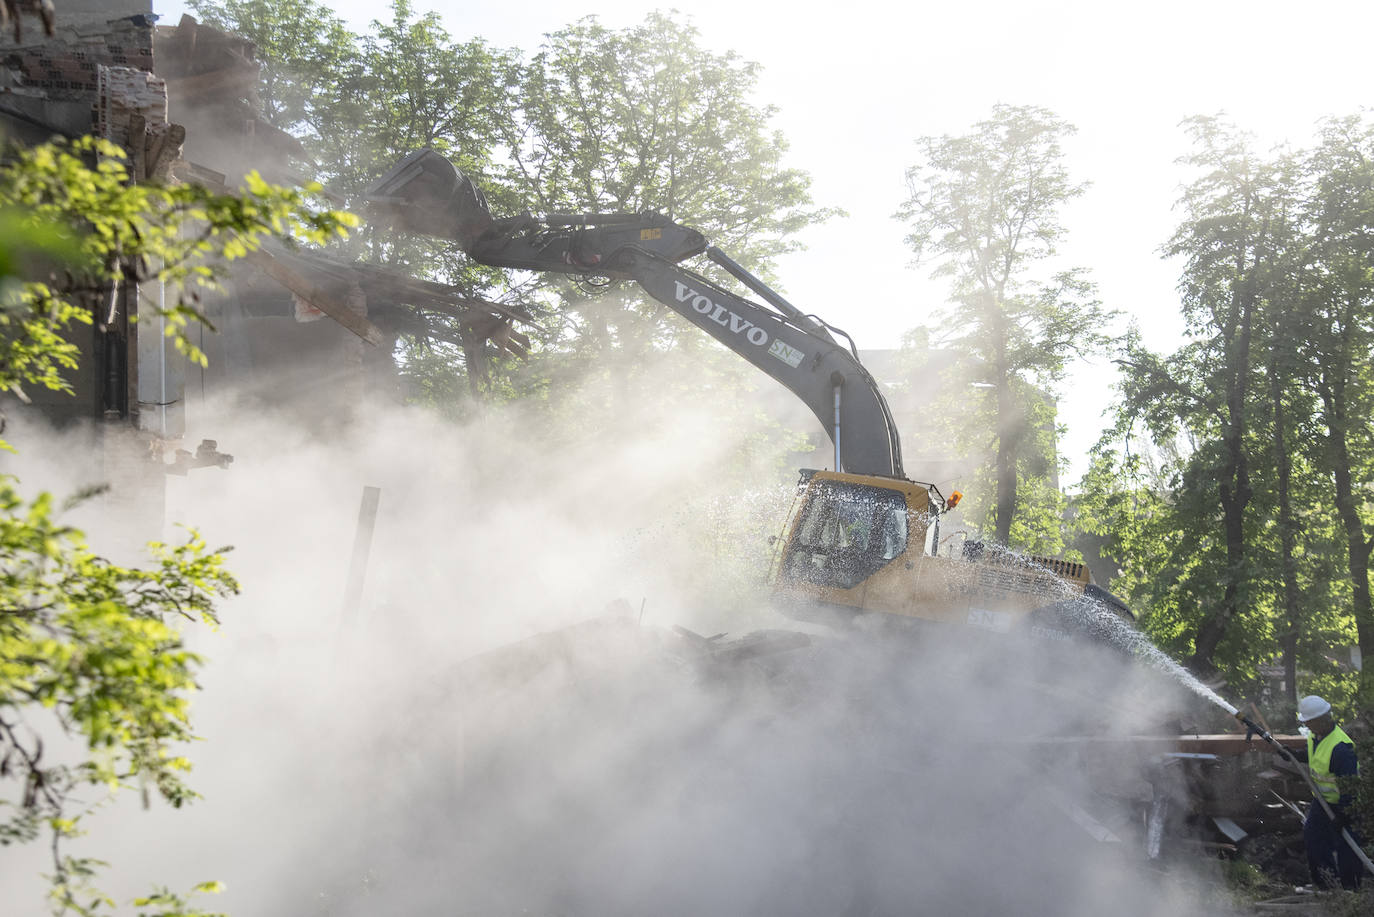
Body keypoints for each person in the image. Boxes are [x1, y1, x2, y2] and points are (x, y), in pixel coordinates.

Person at [1292, 695, 1362, 890]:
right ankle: (1325, 884)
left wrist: (1343, 813)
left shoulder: (1341, 748)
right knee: (1313, 835)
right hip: (1323, 802)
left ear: (1322, 720)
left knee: (1347, 847)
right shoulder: (1316, 736)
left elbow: (1350, 784)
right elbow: (1315, 754)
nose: (1306, 725)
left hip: (1346, 804)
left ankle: (1351, 890)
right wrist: (1294, 755)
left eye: (1308, 721)